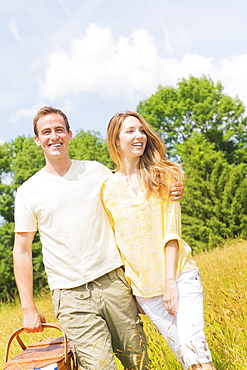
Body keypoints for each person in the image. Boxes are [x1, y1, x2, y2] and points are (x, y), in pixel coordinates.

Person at [13, 106, 184, 370]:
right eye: (46, 132)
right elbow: (22, 251)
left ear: (69, 134)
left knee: (138, 363)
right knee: (100, 367)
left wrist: (171, 186)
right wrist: (28, 308)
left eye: (59, 129)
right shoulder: (28, 192)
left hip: (114, 283)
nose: (53, 136)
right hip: (70, 296)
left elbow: (136, 188)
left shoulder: (97, 173)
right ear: (37, 140)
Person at [101, 111, 216, 370]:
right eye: (130, 131)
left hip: (180, 276)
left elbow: (171, 233)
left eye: (141, 130)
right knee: (186, 357)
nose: (139, 136)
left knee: (193, 345)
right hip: (145, 291)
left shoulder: (165, 175)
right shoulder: (107, 189)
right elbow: (116, 244)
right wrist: (132, 293)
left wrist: (170, 283)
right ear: (116, 141)